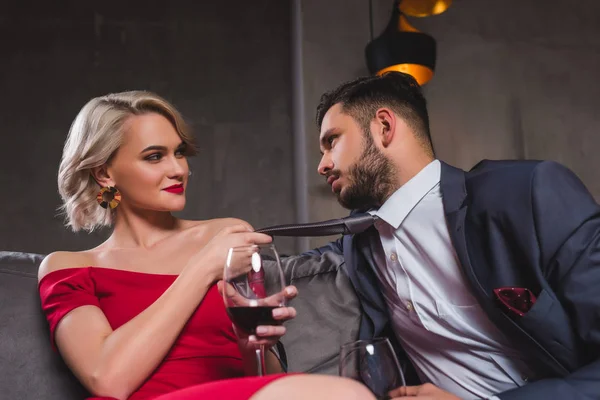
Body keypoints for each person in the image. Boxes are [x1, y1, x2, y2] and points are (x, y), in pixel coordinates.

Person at [38, 91, 375, 400]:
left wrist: (249, 346)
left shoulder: (226, 234)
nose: (178, 169)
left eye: (179, 152)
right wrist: (202, 268)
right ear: (104, 174)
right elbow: (107, 379)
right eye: (154, 157)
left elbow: (268, 382)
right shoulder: (67, 267)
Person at [307, 71, 600, 399]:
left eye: (332, 140)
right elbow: (291, 270)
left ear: (384, 127)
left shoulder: (528, 194)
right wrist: (238, 238)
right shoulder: (359, 239)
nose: (322, 164)